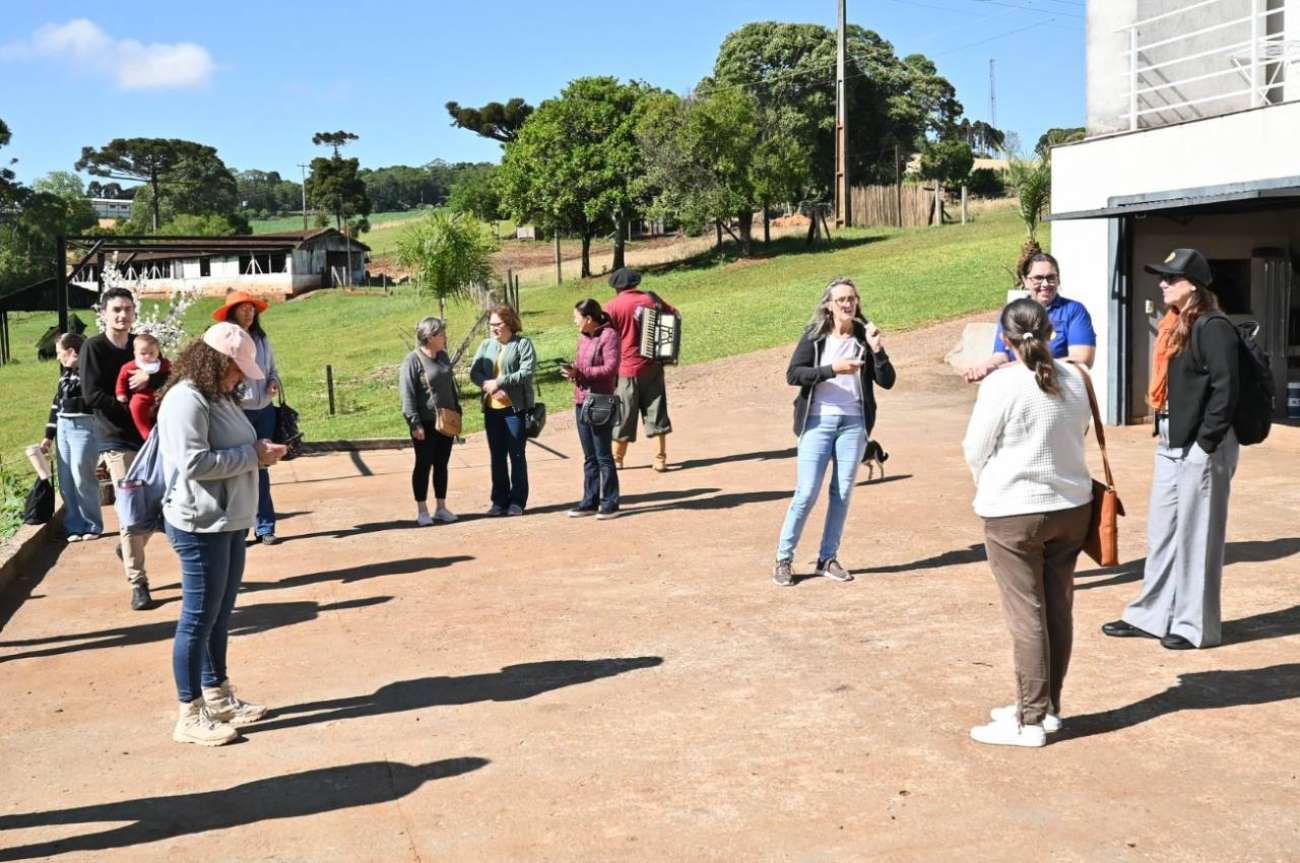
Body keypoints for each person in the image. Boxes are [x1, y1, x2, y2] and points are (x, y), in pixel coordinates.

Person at [962, 298, 1094, 748]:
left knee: (1027, 614)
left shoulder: (1002, 384)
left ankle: (1031, 719)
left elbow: (975, 448)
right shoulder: (1076, 377)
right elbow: (1077, 435)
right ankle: (1046, 705)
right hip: (1072, 507)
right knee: (1057, 607)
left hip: (1014, 512)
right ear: (1052, 333)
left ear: (1005, 338)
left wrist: (990, 484)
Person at [155, 322, 287, 746]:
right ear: (215, 360)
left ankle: (218, 695)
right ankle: (189, 713)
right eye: (236, 368)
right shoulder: (185, 400)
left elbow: (231, 448)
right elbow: (194, 463)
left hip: (228, 521)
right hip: (200, 523)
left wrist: (257, 453)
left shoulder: (217, 396)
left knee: (218, 614)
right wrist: (251, 455)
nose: (240, 377)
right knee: (197, 619)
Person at [1103, 248, 1240, 650]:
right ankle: (1151, 615)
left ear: (1193, 286)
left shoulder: (1212, 326)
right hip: (1170, 439)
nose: (1162, 283)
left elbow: (1225, 389)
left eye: (1171, 278)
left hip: (1204, 443)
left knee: (1199, 535)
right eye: (1162, 276)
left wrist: (1206, 441)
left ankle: (1195, 627)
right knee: (1161, 532)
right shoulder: (1173, 324)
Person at [773, 277, 895, 587]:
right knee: (806, 493)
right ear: (829, 305)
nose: (847, 304)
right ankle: (784, 559)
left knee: (841, 494)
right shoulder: (815, 336)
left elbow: (887, 380)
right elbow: (794, 374)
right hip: (818, 422)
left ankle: (827, 558)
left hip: (853, 424)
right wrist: (832, 370)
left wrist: (878, 350)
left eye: (852, 299)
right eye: (841, 299)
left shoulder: (864, 338)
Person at [79, 286, 153, 610]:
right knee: (130, 511)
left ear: (134, 312)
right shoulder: (93, 348)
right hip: (114, 439)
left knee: (157, 505)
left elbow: (165, 375)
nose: (122, 315)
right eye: (116, 310)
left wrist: (149, 383)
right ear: (105, 314)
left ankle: (128, 549)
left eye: (127, 309)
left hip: (147, 437)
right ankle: (139, 582)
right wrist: (128, 406)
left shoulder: (141, 346)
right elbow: (91, 396)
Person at [213, 292, 283, 544]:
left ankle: (265, 526)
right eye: (244, 309)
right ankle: (239, 528)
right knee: (238, 470)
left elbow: (272, 369)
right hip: (237, 412)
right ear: (232, 312)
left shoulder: (262, 339)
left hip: (264, 411)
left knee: (262, 468)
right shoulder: (224, 340)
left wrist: (273, 382)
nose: (249, 313)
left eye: (252, 309)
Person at [963, 252, 1096, 383]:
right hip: (1018, 386)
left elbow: (1082, 359)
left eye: (1051, 278)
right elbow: (1001, 355)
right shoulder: (1012, 312)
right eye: (1038, 278)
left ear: (1058, 279)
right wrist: (987, 367)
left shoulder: (1073, 311)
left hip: (1059, 386)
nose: (1045, 284)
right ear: (1025, 281)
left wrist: (1024, 367)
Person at [603, 267, 679, 472]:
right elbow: (673, 314)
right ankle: (660, 459)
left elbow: (605, 338)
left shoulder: (612, 307)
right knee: (656, 411)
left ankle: (617, 459)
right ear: (636, 283)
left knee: (624, 414)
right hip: (652, 366)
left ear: (617, 287)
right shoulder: (651, 300)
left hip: (626, 369)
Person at [469, 304, 536, 516]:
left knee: (516, 455)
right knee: (496, 456)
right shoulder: (486, 345)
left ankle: (517, 501)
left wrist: (499, 382)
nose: (493, 328)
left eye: (497, 324)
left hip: (514, 411)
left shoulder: (522, 344)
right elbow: (475, 372)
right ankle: (499, 501)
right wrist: (488, 386)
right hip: (492, 410)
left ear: (509, 323)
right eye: (491, 325)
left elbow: (526, 372)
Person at [561, 299, 621, 519]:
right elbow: (582, 368)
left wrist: (581, 372)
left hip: (600, 401)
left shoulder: (609, 336)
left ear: (588, 319)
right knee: (589, 456)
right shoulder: (583, 338)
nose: (574, 321)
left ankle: (610, 502)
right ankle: (590, 501)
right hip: (581, 401)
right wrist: (573, 374)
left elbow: (610, 368)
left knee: (603, 454)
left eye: (576, 317)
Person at [400, 316, 461, 526]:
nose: (445, 337)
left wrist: (457, 410)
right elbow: (407, 395)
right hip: (425, 424)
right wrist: (414, 422)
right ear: (429, 337)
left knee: (442, 464)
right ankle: (422, 510)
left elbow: (450, 385)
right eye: (441, 333)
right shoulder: (412, 360)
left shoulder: (443, 356)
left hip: (446, 420)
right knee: (423, 465)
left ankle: (441, 508)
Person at [40, 332, 102, 542]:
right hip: (64, 427)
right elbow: (57, 404)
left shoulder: (91, 371)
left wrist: (79, 366)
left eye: (60, 353)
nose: (58, 357)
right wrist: (49, 435)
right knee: (66, 479)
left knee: (81, 475)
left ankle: (92, 524)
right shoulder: (65, 374)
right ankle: (74, 526)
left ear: (72, 352)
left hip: (84, 427)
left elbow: (88, 398)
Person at [114, 332, 171, 439]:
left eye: (152, 353)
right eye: (143, 353)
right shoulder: (130, 366)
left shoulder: (163, 364)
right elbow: (121, 379)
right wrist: (120, 393)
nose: (148, 356)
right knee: (135, 405)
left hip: (161, 396)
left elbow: (174, 373)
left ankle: (167, 430)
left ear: (158, 351)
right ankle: (146, 433)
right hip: (141, 396)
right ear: (135, 353)